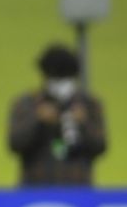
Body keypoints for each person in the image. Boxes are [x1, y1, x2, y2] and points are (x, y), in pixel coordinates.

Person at [7, 44, 108, 186]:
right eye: (55, 77)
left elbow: (100, 146)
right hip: (36, 187)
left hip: (77, 186)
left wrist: (83, 123)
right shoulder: (28, 103)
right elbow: (15, 144)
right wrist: (38, 120)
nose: (60, 84)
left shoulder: (89, 104)